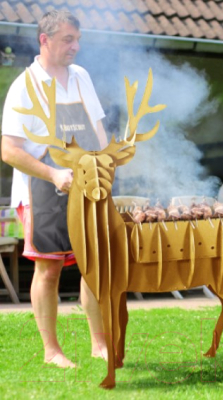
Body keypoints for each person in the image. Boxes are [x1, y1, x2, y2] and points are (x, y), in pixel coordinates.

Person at [1, 10, 108, 368]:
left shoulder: (81, 77)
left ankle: (99, 345)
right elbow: (8, 150)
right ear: (44, 40)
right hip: (40, 191)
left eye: (78, 39)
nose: (75, 47)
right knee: (49, 269)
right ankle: (52, 352)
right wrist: (52, 174)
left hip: (86, 188)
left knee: (93, 265)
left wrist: (104, 169)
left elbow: (98, 130)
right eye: (67, 40)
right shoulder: (23, 86)